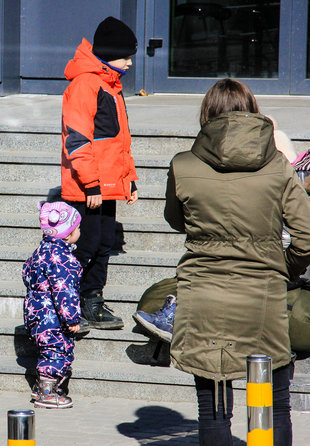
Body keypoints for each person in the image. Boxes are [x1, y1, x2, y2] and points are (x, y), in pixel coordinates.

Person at [164, 78, 310, 446]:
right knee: (274, 404)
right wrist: (284, 267)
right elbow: (307, 236)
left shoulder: (183, 164)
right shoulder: (277, 166)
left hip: (203, 296)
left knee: (213, 406)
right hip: (262, 297)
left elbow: (175, 219)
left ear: (206, 114)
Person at [60, 16, 139, 330]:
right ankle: (65, 302)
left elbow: (120, 142)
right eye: (125, 56)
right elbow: (77, 140)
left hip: (107, 185)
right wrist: (91, 184)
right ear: (108, 55)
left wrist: (128, 179)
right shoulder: (86, 84)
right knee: (86, 246)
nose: (130, 62)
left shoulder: (111, 86)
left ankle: (92, 301)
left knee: (104, 242)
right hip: (86, 188)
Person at [23, 201, 82, 409]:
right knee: (57, 352)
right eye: (77, 228)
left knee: (47, 351)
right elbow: (64, 291)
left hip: (36, 313)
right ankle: (47, 394)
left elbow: (26, 273)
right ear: (67, 233)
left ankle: (42, 387)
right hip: (53, 316)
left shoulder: (41, 251)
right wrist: (72, 318)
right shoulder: (62, 258)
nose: (79, 232)